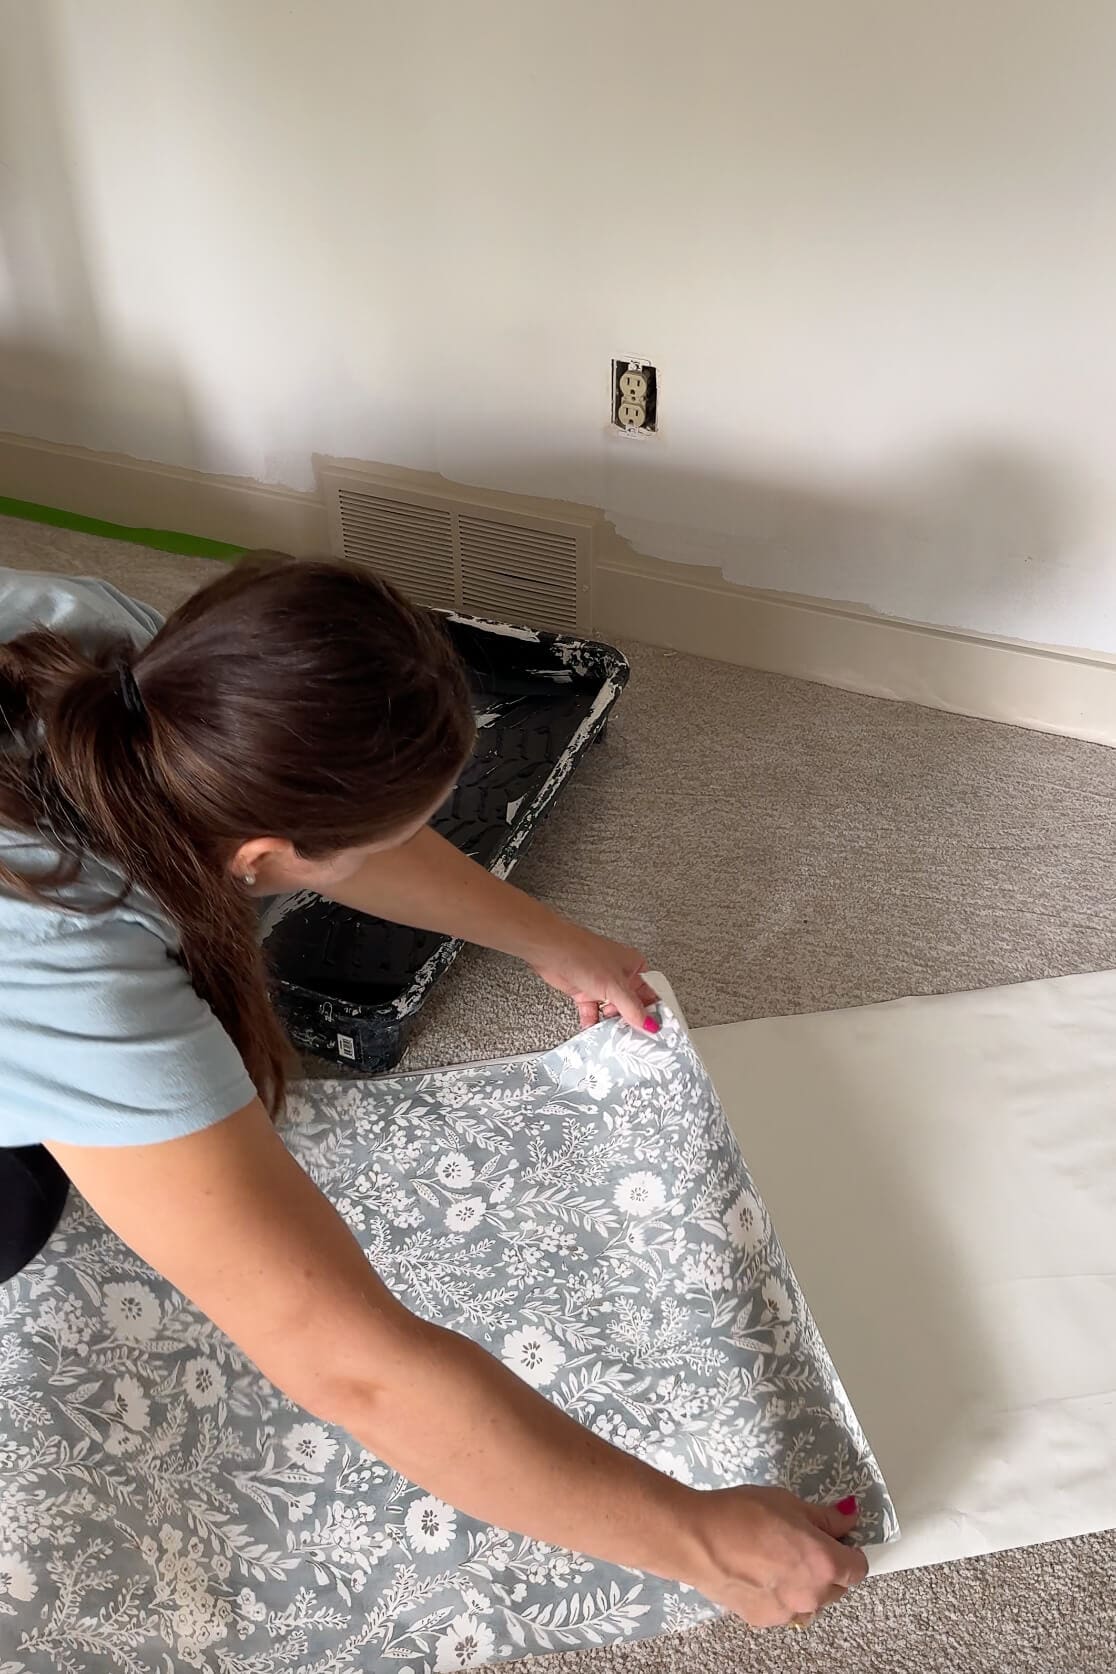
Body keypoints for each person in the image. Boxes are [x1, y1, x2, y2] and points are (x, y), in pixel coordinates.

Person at [0, 552, 866, 1629]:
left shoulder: (123, 659)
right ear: (263, 853)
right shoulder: (68, 964)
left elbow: (335, 836)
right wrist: (701, 1541)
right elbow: (350, 1365)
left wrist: (551, 940)